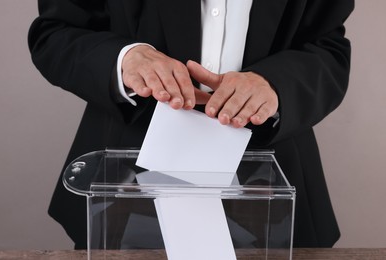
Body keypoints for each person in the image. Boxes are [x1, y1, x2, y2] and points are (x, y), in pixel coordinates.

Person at [28, 0, 354, 249]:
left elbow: (328, 45)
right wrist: (125, 58)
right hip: (121, 190)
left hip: (273, 192)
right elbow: (55, 30)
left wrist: (276, 84)